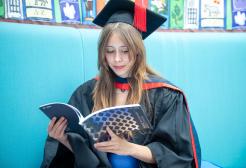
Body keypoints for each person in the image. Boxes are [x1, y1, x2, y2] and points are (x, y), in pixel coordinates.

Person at [40, 0, 201, 167]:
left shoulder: (164, 95)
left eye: (125, 50)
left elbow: (177, 156)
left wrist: (129, 148)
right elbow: (87, 158)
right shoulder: (87, 93)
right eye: (110, 51)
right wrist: (63, 139)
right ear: (103, 53)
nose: (117, 59)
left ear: (138, 51)